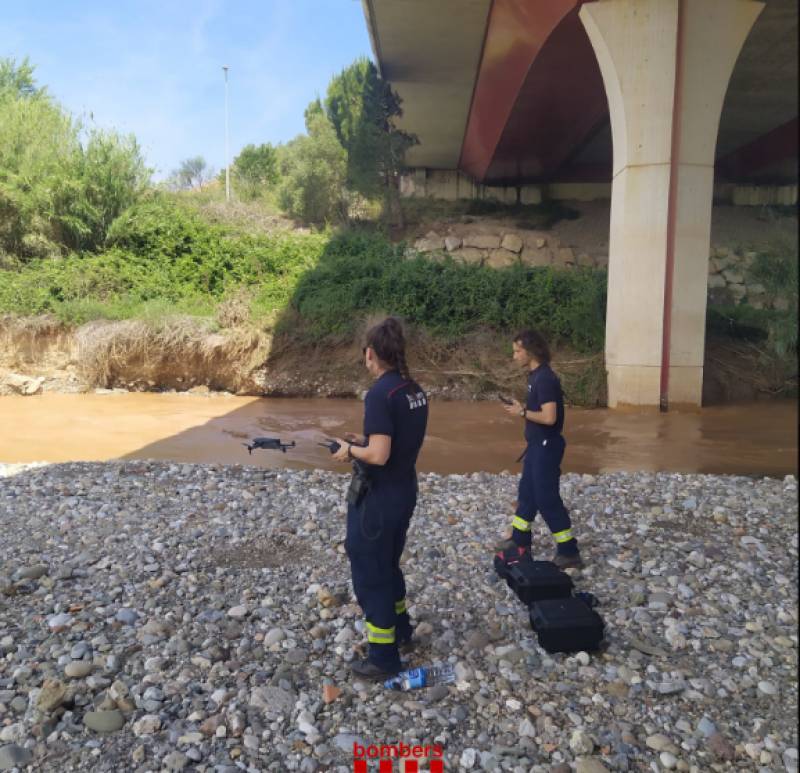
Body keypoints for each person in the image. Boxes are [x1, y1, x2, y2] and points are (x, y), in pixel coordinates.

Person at [332, 317, 429, 679]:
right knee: (389, 563)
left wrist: (350, 451)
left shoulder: (379, 394)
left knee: (370, 573)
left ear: (370, 353)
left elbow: (379, 455)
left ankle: (383, 658)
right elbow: (393, 440)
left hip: (379, 499)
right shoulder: (412, 389)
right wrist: (363, 440)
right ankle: (402, 629)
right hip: (404, 490)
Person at [499, 329, 582, 569]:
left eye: (517, 351)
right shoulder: (534, 376)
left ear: (531, 351)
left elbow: (549, 417)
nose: (514, 356)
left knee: (546, 498)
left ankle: (568, 550)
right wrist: (523, 407)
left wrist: (523, 412)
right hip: (536, 446)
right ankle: (519, 540)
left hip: (547, 447)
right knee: (527, 493)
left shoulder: (544, 378)